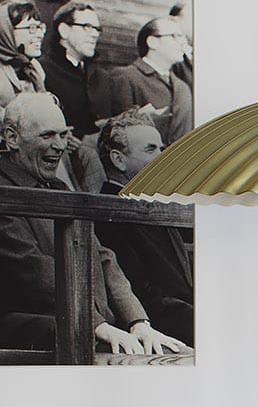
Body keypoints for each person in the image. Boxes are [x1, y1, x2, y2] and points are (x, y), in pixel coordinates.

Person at [0, 92, 185, 360]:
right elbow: (34, 270)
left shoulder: (59, 188)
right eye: (47, 135)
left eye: (62, 135)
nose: (59, 146)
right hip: (43, 337)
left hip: (94, 328)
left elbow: (103, 257)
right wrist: (97, 325)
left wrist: (138, 322)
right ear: (12, 138)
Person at [79, 106, 195, 350]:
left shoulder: (152, 202)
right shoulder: (108, 214)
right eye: (151, 150)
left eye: (162, 148)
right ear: (118, 159)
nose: (163, 157)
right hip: (159, 336)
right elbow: (144, 293)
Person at [93, 13, 194, 146]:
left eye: (183, 37)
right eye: (175, 36)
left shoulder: (183, 87)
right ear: (152, 42)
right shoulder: (125, 76)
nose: (183, 43)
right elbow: (118, 135)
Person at [43, 0, 108, 135]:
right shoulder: (42, 70)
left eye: (97, 29)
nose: (95, 34)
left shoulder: (101, 76)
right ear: (64, 30)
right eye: (87, 27)